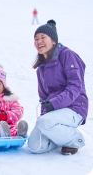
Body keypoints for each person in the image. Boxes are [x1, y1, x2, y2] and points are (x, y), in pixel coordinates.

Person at [28, 20, 88, 155]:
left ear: (53, 41)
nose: (39, 41)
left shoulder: (67, 55)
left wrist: (53, 105)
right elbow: (43, 97)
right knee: (34, 146)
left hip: (74, 108)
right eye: (36, 39)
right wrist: (44, 116)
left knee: (44, 123)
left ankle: (74, 139)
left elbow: (75, 86)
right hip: (55, 112)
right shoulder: (41, 68)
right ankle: (60, 138)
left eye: (43, 37)